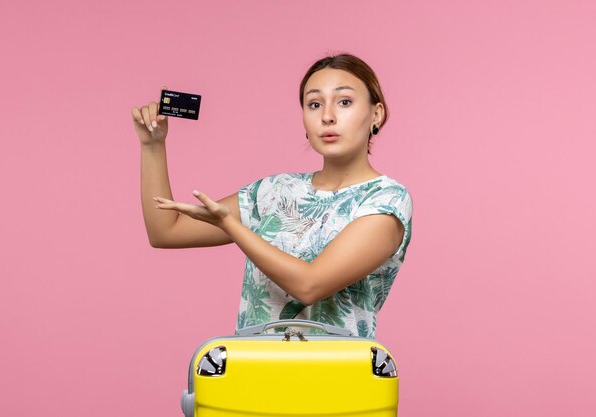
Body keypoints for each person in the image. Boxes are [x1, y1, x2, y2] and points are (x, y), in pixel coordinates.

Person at [131, 53, 412, 338]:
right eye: (314, 104)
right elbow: (166, 231)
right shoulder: (275, 191)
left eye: (344, 102)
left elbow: (310, 285)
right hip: (254, 373)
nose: (327, 116)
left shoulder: (386, 200)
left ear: (376, 114)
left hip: (338, 376)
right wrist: (152, 146)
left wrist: (230, 225)